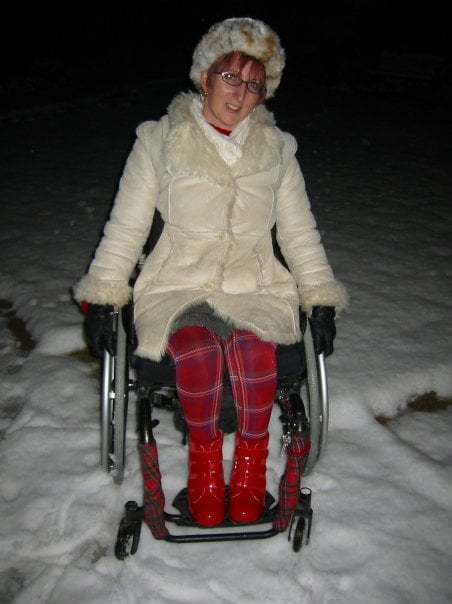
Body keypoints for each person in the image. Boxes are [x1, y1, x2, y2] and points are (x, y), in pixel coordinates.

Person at [74, 17, 348, 528]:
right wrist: (105, 297)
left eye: (253, 84)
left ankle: (248, 468)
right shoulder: (159, 140)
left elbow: (299, 234)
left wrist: (319, 296)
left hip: (254, 287)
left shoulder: (278, 150)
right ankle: (203, 466)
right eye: (230, 77)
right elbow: (126, 228)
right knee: (199, 349)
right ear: (205, 76)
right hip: (177, 286)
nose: (240, 94)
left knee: (252, 349)